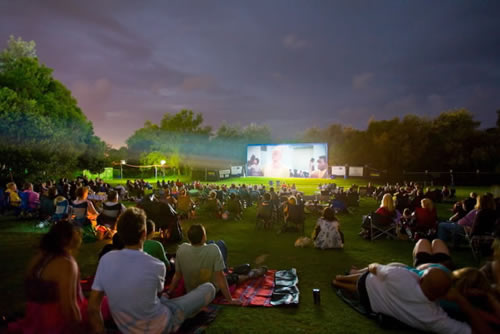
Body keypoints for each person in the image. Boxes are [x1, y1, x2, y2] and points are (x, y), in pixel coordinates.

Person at [88, 208, 216, 334]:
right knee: (209, 288)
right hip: (163, 324)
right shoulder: (156, 265)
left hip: (128, 326)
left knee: (165, 300)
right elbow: (157, 296)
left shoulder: (106, 260)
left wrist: (100, 330)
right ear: (144, 234)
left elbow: (93, 307)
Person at [9, 221, 86, 333]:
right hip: (55, 322)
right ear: (70, 239)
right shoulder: (66, 264)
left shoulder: (38, 259)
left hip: (34, 320)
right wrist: (78, 327)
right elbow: (68, 306)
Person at [167, 224, 267, 304]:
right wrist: (230, 300)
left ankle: (227, 268)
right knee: (234, 276)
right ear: (203, 237)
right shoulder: (213, 249)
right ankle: (253, 273)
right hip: (212, 289)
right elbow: (220, 277)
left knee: (215, 243)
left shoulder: (182, 249)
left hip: (192, 289)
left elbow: (177, 274)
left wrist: (169, 292)